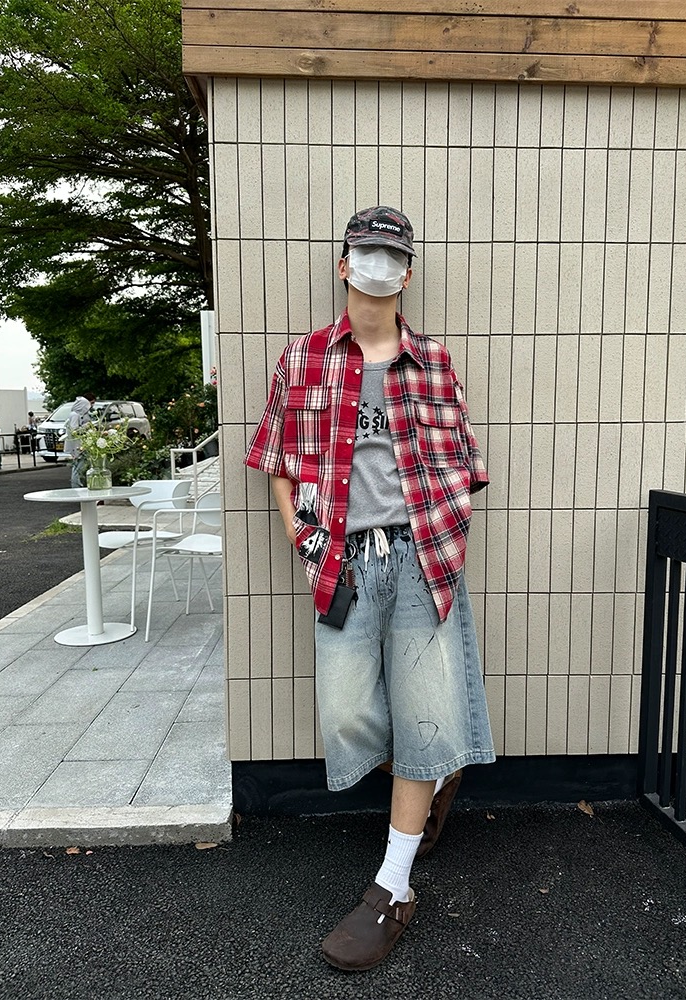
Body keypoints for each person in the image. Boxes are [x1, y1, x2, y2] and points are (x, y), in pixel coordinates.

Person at [245, 206, 495, 970]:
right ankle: (435, 767)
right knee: (348, 715)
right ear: (345, 264)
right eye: (367, 252)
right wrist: (302, 535)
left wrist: (444, 527)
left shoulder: (434, 362)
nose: (379, 265)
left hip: (421, 558)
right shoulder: (304, 358)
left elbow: (464, 461)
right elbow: (277, 459)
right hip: (344, 562)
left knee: (424, 715)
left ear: (407, 273)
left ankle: (393, 886)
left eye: (393, 255)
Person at [64, 392, 95, 488]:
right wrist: (86, 426)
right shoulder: (75, 415)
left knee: (80, 467)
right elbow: (74, 431)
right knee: (78, 468)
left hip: (80, 444)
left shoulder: (79, 415)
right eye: (91, 403)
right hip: (77, 445)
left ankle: (78, 486)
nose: (91, 406)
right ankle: (76, 487)